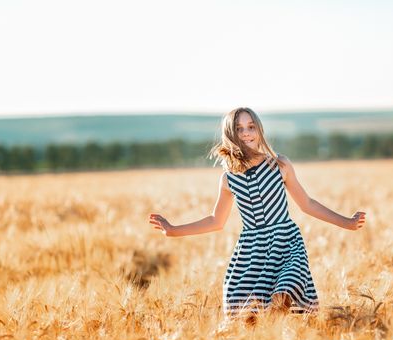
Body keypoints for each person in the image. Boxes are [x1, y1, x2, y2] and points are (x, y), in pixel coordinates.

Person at [149, 107, 366, 321]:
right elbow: (216, 220)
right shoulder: (229, 179)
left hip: (286, 243)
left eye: (251, 127)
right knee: (247, 315)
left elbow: (307, 203)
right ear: (230, 135)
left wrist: (346, 222)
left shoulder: (279, 164)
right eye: (239, 128)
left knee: (286, 290)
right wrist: (174, 230)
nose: (246, 133)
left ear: (259, 130)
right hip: (252, 251)